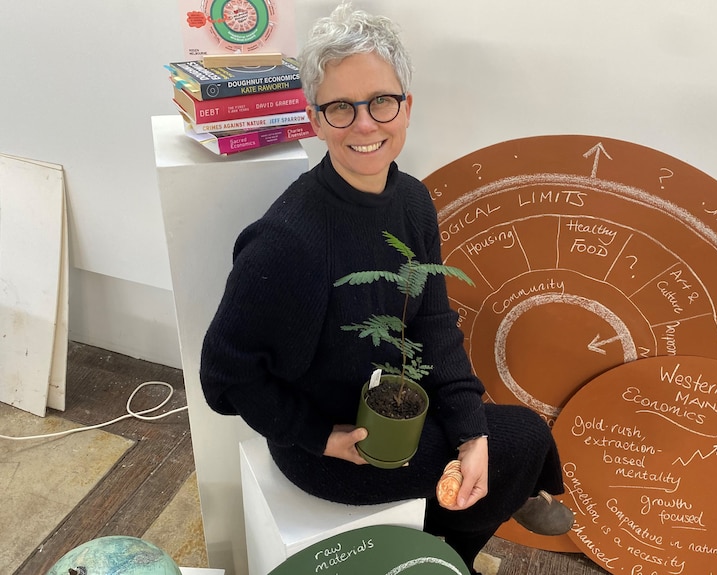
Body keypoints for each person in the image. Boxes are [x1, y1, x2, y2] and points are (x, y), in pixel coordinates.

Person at [199, 3, 572, 572]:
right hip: (336, 445)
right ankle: (453, 550)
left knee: (496, 439)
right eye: (341, 108)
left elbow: (432, 322)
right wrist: (318, 436)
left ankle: (455, 534)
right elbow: (225, 375)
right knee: (521, 440)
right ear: (315, 119)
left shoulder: (414, 201)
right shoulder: (288, 240)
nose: (366, 124)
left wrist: (470, 431)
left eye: (380, 101)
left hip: (402, 404)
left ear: (406, 106)